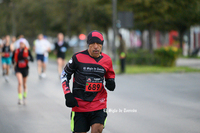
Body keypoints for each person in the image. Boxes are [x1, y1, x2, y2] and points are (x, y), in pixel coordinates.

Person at [61, 30, 116, 133]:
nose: (96, 46)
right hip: (79, 105)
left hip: (99, 104)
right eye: (92, 44)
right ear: (88, 44)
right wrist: (68, 94)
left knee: (97, 129)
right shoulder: (77, 57)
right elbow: (64, 75)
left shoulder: (107, 60)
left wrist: (111, 82)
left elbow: (110, 75)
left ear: (102, 45)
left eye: (98, 44)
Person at [12, 38, 34, 105]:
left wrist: (27, 58)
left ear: (25, 44)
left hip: (25, 68)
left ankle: (25, 97)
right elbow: (12, 58)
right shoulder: (16, 50)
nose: (21, 44)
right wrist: (14, 62)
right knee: (20, 83)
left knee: (24, 84)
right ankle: (20, 98)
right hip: (18, 68)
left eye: (22, 43)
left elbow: (32, 59)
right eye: (20, 43)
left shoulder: (27, 50)